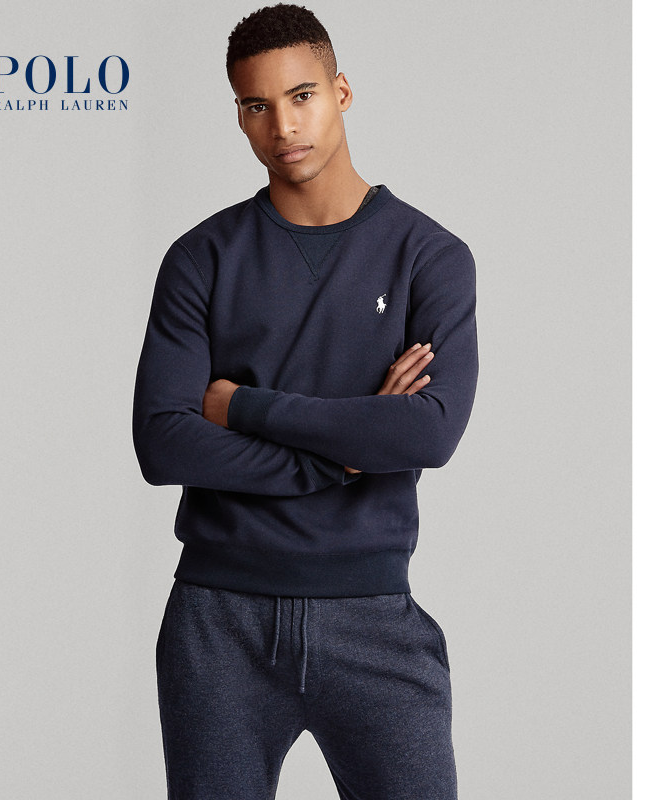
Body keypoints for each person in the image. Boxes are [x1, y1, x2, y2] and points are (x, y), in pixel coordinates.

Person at [132, 4, 479, 798]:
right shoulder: (201, 258)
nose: (283, 125)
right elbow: (163, 441)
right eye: (256, 105)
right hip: (217, 625)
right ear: (240, 116)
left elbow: (428, 431)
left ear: (341, 91)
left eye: (301, 96)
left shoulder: (430, 257)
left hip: (373, 619)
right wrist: (345, 456)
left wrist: (241, 407)